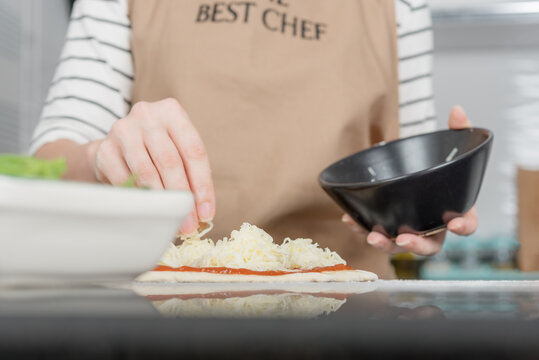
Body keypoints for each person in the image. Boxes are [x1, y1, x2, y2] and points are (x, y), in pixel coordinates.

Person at [31, 0, 477, 278]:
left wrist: (426, 213)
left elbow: (412, 187)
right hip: (155, 321)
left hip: (346, 322)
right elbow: (45, 173)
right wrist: (98, 158)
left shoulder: (402, 6)